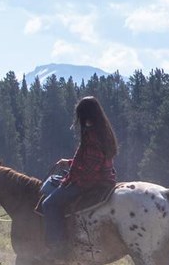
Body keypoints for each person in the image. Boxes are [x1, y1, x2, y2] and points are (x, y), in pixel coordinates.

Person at [43, 95, 118, 256]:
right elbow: (89, 160)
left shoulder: (92, 135)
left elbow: (91, 168)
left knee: (49, 204)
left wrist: (69, 179)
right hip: (101, 178)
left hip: (91, 182)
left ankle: (58, 248)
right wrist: (70, 163)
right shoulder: (103, 131)